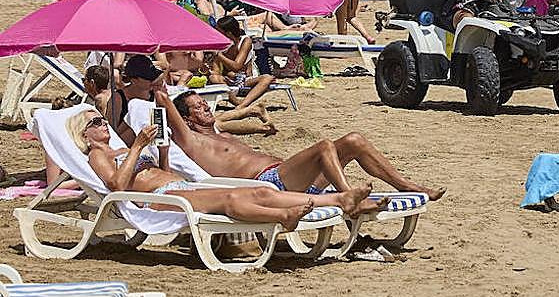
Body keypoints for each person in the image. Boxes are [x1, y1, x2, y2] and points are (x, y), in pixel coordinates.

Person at [69, 108, 376, 227]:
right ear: (85, 134)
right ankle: (282, 216)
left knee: (259, 191)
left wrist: (159, 150)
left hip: (179, 187)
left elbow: (160, 169)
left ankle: (338, 199)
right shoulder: (98, 156)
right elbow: (117, 188)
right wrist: (137, 147)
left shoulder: (122, 149)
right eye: (96, 121)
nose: (102, 123)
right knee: (230, 200)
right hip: (162, 198)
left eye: (101, 118)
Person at [158, 90, 444, 202]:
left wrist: (261, 125)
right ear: (185, 118)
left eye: (204, 104)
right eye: (197, 108)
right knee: (323, 147)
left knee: (353, 140)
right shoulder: (190, 140)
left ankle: (406, 186)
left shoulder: (219, 131)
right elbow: (163, 99)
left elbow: (234, 123)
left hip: (290, 177)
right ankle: (349, 198)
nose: (206, 108)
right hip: (270, 184)